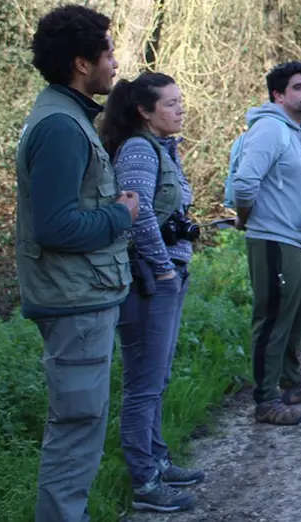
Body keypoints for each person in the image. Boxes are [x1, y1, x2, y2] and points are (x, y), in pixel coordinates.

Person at [16, 5, 140, 521]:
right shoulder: (62, 127)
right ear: (81, 63)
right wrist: (120, 215)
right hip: (73, 301)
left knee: (81, 426)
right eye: (108, 52)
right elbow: (55, 226)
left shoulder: (66, 116)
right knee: (76, 429)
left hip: (81, 296)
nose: (115, 62)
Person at [101, 73, 204, 512]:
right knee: (144, 381)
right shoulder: (141, 150)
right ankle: (145, 481)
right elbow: (137, 214)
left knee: (156, 376)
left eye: (181, 102)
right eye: (170, 104)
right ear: (144, 111)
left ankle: (158, 459)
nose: (180, 109)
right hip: (149, 279)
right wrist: (163, 270)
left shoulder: (162, 148)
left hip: (164, 275)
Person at [232, 61, 301, 425]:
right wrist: (244, 219)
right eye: (297, 87)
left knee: (300, 312)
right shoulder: (269, 129)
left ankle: (291, 383)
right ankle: (266, 399)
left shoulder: (298, 130)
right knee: (273, 318)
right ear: (278, 95)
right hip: (274, 239)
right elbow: (245, 183)